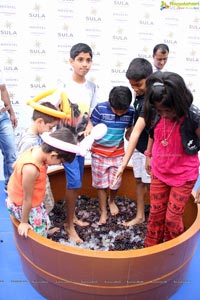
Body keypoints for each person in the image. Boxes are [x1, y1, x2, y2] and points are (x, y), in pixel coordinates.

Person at [143, 71, 200, 247]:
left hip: (183, 175)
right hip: (159, 172)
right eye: (159, 110)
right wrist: (148, 155)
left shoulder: (193, 117)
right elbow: (153, 133)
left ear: (179, 102)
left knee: (172, 219)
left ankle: (173, 251)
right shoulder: (155, 112)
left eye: (167, 110)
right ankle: (151, 250)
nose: (163, 114)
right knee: (155, 214)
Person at [54, 43, 99, 243]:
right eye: (80, 60)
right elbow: (52, 110)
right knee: (74, 182)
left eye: (88, 60)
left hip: (82, 144)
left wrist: (89, 125)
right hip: (66, 142)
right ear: (71, 61)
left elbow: (90, 113)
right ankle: (69, 225)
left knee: (76, 182)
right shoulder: (62, 85)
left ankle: (71, 218)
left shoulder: (92, 87)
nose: (85, 64)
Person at [6, 127, 76, 238]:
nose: (59, 164)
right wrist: (24, 222)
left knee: (43, 219)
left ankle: (44, 229)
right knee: (38, 233)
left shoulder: (35, 149)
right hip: (24, 205)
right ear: (53, 155)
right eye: (60, 162)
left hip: (34, 200)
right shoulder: (31, 169)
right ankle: (41, 235)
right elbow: (27, 199)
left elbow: (15, 164)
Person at [116, 58, 152, 226]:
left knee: (152, 185)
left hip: (150, 150)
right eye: (132, 86)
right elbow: (135, 126)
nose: (136, 89)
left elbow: (139, 131)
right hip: (138, 147)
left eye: (139, 85)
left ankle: (156, 217)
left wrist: (123, 164)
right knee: (139, 180)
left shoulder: (152, 100)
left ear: (149, 79)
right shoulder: (138, 97)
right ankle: (140, 215)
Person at [90, 86, 134, 224]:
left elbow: (129, 130)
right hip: (98, 153)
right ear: (110, 102)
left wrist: (130, 135)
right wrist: (88, 132)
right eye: (117, 111)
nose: (120, 114)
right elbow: (91, 124)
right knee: (101, 185)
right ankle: (103, 211)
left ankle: (112, 200)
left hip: (118, 153)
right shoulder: (100, 109)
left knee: (115, 183)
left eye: (123, 111)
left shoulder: (131, 111)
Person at [17, 102, 60, 213]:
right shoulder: (29, 142)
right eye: (50, 127)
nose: (50, 131)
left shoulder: (36, 134)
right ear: (40, 122)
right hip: (35, 182)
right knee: (40, 205)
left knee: (47, 203)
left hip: (41, 176)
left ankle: (46, 224)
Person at [0, 68, 18, 193]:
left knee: (11, 152)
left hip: (2, 117)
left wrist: (11, 113)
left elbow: (3, 89)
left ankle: (11, 188)